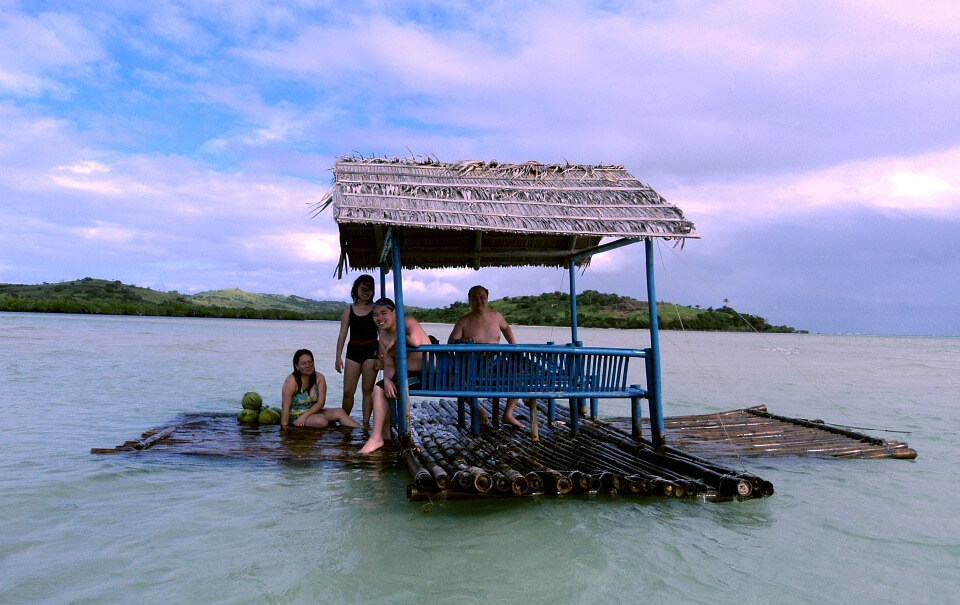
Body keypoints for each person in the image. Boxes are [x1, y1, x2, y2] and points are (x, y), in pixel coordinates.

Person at [358, 298, 431, 454]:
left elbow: (416, 342)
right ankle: (384, 436)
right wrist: (387, 379)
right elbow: (389, 364)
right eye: (375, 314)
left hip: (426, 375)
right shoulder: (383, 335)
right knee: (381, 388)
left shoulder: (408, 322)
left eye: (384, 313)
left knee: (379, 390)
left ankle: (376, 438)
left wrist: (397, 339)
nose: (379, 318)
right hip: (404, 375)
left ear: (394, 312)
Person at [448, 285, 523, 427]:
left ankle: (508, 414)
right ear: (469, 301)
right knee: (454, 380)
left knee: (520, 376)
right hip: (473, 367)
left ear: (487, 298)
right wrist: (463, 341)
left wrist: (514, 346)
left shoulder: (496, 316)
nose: (479, 301)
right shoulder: (463, 321)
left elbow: (506, 328)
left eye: (482, 297)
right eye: (474, 298)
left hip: (497, 363)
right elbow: (451, 343)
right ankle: (479, 410)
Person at [334, 274, 378, 426]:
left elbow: (383, 334)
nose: (366, 292)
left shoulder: (376, 309)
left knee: (367, 391)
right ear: (356, 289)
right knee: (347, 392)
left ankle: (365, 424)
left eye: (369, 289)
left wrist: (382, 357)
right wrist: (338, 357)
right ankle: (344, 420)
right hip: (353, 351)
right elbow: (342, 334)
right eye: (363, 288)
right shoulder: (349, 310)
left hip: (371, 351)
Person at [281, 349, 361, 430]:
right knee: (321, 421)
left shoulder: (319, 378)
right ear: (297, 366)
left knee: (340, 412)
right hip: (297, 417)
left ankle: (363, 430)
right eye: (303, 363)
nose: (308, 365)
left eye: (310, 362)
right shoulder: (291, 381)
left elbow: (321, 403)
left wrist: (305, 416)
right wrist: (284, 428)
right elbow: (285, 407)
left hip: (314, 412)